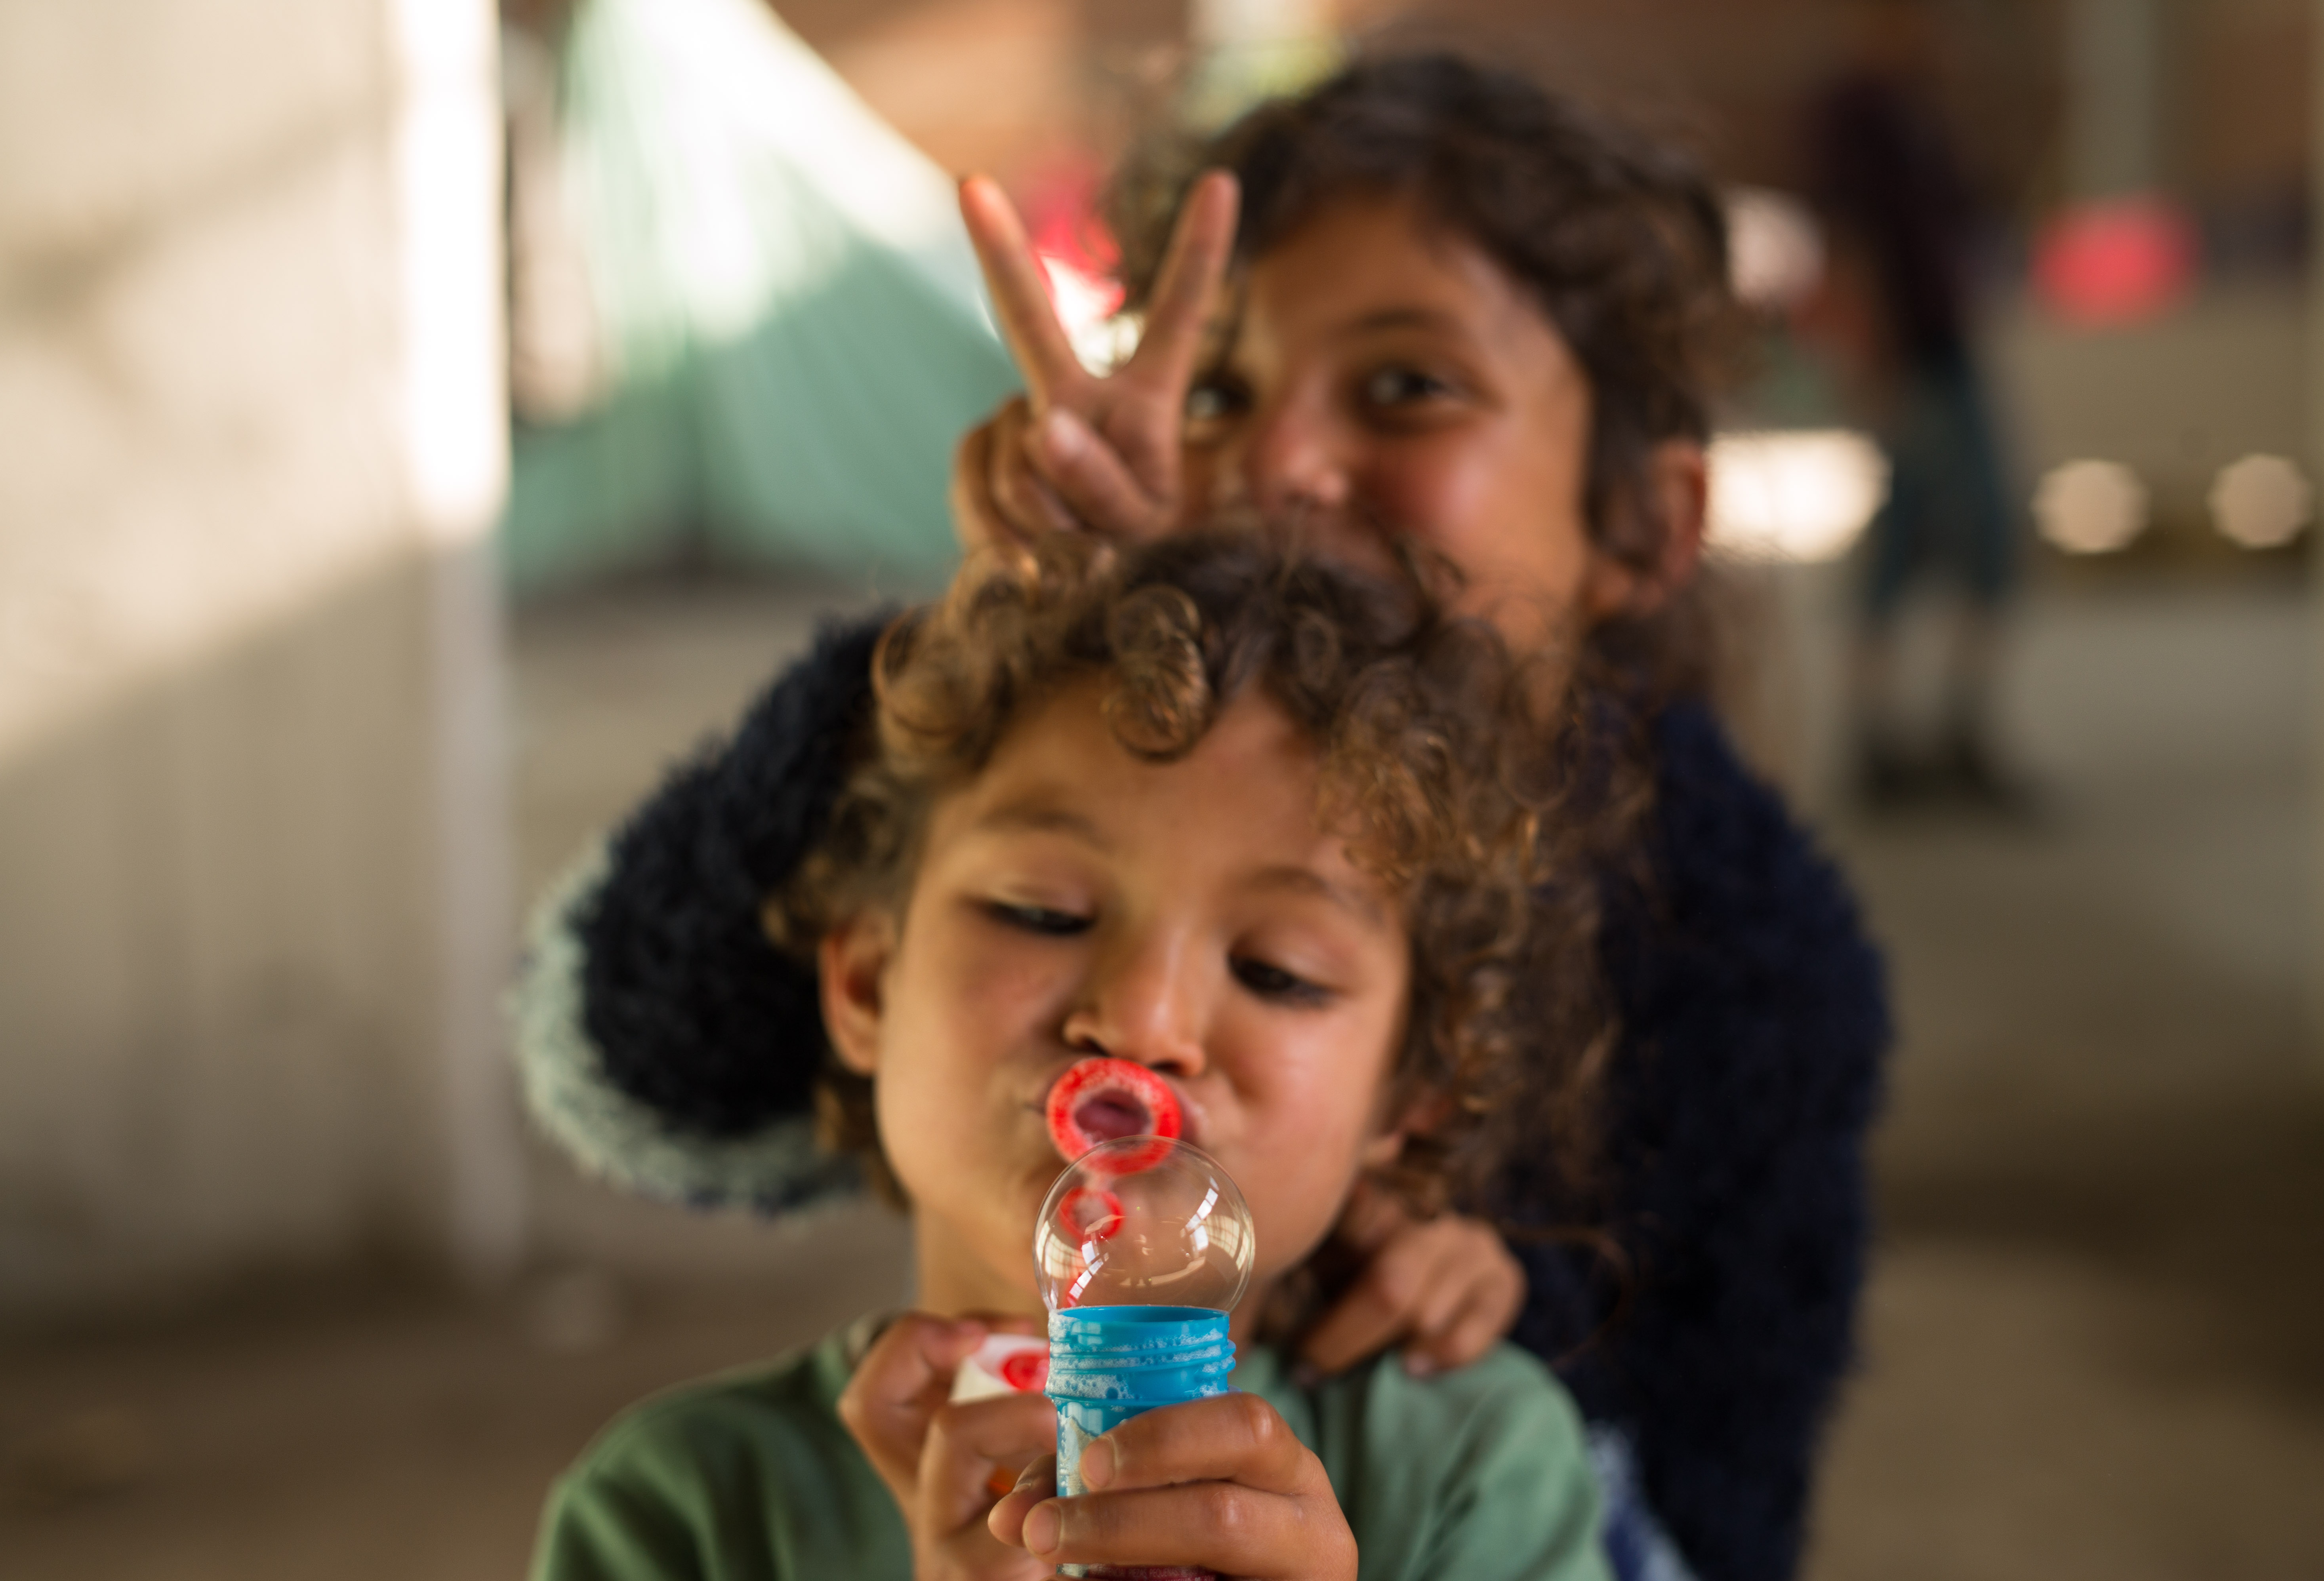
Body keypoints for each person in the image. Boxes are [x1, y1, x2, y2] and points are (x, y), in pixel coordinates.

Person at [517, 52, 1887, 1581]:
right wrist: (999, 627)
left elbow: (1716, 1496)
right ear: (862, 971)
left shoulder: (1738, 955)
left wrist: (1473, 1298)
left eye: (1405, 388)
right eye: (1219, 391)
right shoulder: (685, 1509)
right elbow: (634, 1062)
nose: (1270, 463)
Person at [531, 531, 1613, 1581]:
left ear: (1408, 1100)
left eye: (1277, 971)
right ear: (867, 983)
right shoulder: (678, 1512)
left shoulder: (1471, 1467)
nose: (1142, 1019)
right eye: (1042, 913)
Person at [1804, 0, 2025, 807]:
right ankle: (1892, 735)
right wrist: (1870, 358)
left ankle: (1941, 728)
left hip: (1944, 349)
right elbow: (1847, 241)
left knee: (1964, 538)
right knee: (1939, 536)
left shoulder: (1921, 115)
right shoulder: (1856, 114)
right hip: (1910, 359)